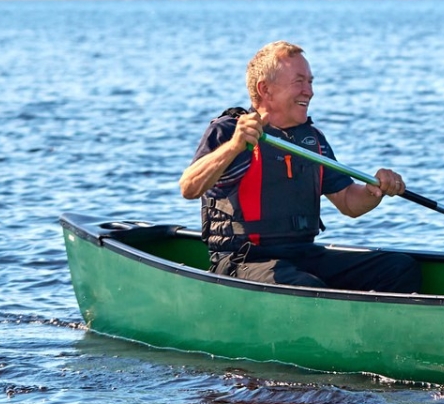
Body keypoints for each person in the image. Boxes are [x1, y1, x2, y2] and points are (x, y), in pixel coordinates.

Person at [178, 41, 422, 293]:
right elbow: (189, 187)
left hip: (303, 254)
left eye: (310, 82)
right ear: (266, 90)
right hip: (244, 260)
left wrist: (374, 191)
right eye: (299, 82)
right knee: (307, 288)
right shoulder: (229, 131)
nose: (309, 91)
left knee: (399, 267)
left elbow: (349, 202)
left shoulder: (311, 139)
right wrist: (235, 146)